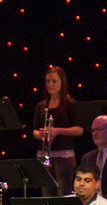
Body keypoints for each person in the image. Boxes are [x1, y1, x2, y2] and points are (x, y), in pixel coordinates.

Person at [33, 67, 82, 196]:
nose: (50, 85)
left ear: (62, 82)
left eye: (54, 81)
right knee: (47, 195)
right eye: (47, 81)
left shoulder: (69, 103)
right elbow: (34, 132)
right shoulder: (41, 106)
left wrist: (58, 131)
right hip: (44, 154)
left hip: (63, 156)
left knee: (63, 195)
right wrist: (41, 134)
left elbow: (80, 130)